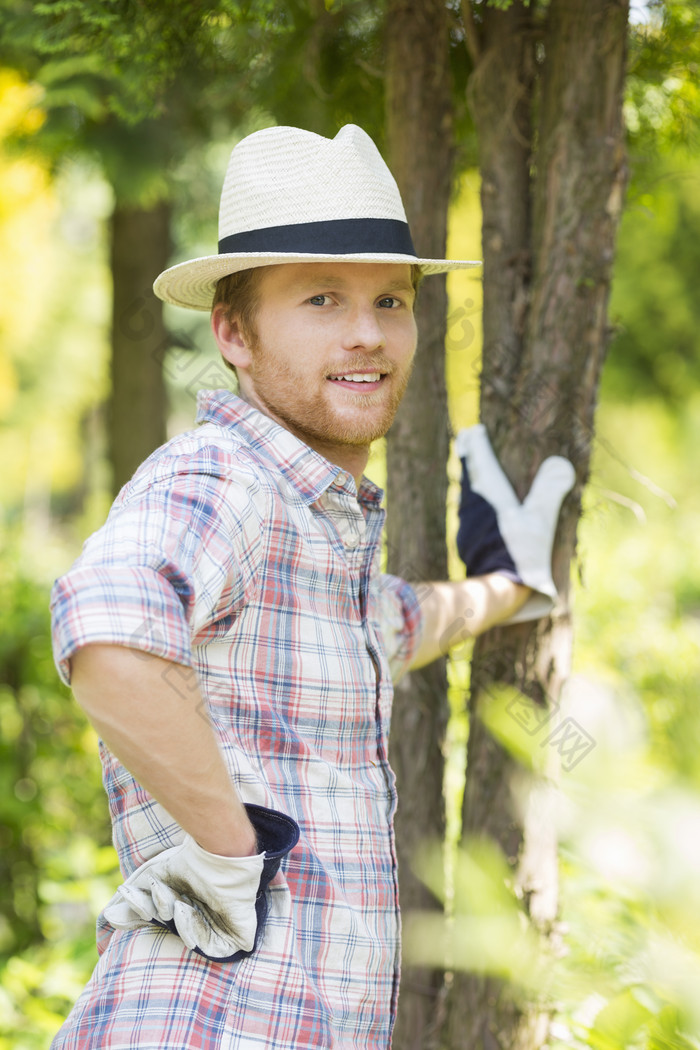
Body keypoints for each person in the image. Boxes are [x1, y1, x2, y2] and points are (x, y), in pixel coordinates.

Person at [49, 123, 574, 1049]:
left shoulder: (314, 537)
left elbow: (391, 626)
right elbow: (107, 637)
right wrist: (230, 847)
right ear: (233, 332)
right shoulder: (221, 480)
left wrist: (509, 586)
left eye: (390, 299)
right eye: (321, 299)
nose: (368, 332)